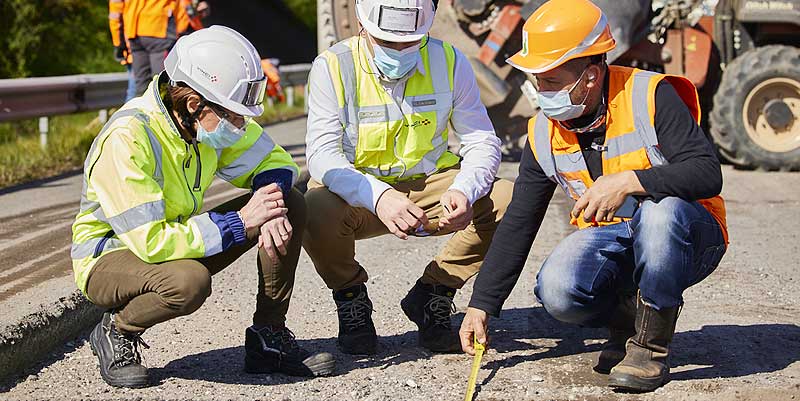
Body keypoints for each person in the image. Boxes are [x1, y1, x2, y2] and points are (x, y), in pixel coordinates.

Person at [458, 0, 728, 392]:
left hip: (689, 236)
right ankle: (626, 324)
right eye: (537, 81)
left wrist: (628, 181)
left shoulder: (650, 96)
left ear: (590, 75)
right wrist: (482, 304)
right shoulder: (543, 134)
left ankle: (650, 350)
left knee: (660, 214)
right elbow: (520, 220)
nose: (541, 92)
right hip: (619, 241)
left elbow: (707, 173)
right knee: (558, 288)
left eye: (551, 81)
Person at [71, 26, 335, 389]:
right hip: (112, 256)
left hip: (171, 240)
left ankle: (268, 338)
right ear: (195, 104)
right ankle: (117, 329)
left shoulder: (202, 123)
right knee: (188, 283)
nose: (242, 126)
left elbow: (276, 162)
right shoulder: (129, 138)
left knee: (287, 201)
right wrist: (242, 221)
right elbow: (151, 242)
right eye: (235, 116)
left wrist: (269, 203)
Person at [303, 0, 514, 356]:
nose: (400, 51)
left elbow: (480, 139)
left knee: (506, 198)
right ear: (361, 24)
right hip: (362, 194)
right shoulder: (333, 67)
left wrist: (465, 189)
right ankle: (351, 299)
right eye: (388, 42)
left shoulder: (449, 61)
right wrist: (379, 197)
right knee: (313, 207)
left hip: (430, 185)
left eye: (411, 42)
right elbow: (322, 155)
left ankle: (433, 293)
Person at [111, 0, 188, 96]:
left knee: (141, 86)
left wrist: (118, 42)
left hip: (134, 32)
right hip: (159, 31)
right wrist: (181, 31)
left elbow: (115, 9)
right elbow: (182, 6)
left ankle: (141, 109)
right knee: (161, 84)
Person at [108, 0, 136, 101]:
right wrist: (118, 44)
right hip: (134, 47)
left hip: (134, 44)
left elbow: (115, 18)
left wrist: (118, 44)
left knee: (135, 91)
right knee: (135, 92)